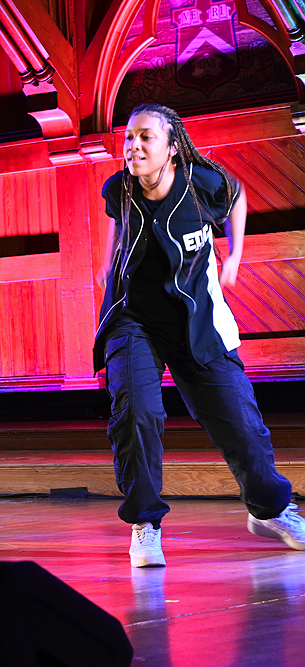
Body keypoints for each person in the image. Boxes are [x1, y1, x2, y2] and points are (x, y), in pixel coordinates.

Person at [96, 103, 305, 568]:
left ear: (172, 148)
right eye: (129, 138)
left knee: (241, 425)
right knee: (136, 414)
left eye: (146, 137)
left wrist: (235, 255)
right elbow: (116, 227)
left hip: (197, 321)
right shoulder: (119, 188)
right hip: (133, 322)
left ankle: (271, 510)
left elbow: (238, 196)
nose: (133, 146)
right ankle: (145, 524)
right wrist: (107, 266)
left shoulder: (201, 183)